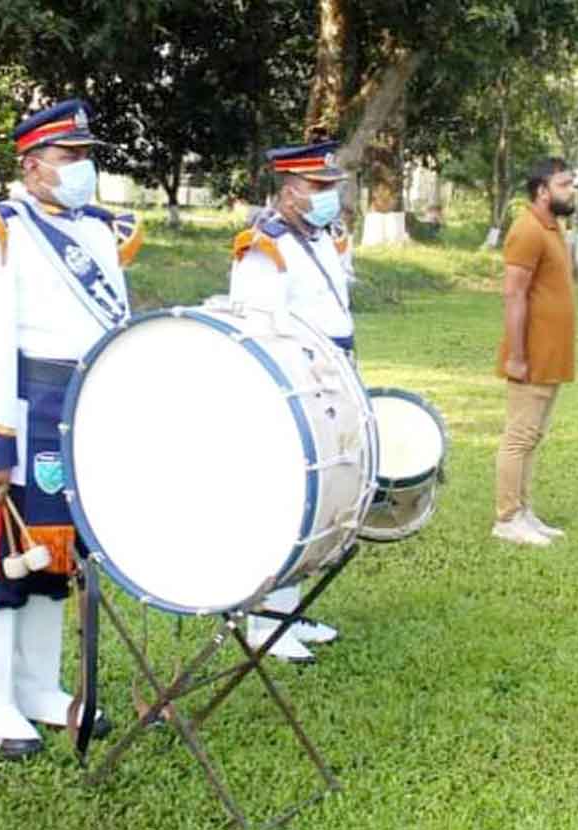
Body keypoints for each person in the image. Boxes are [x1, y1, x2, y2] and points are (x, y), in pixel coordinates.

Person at [0, 99, 139, 758]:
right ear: (31, 165)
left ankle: (38, 686)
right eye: (69, 157)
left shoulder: (97, 230)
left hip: (83, 413)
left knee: (60, 557)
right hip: (24, 410)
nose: (82, 169)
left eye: (87, 156)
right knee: (6, 556)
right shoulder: (0, 230)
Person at [227, 139, 353, 664]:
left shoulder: (323, 238)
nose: (328, 197)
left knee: (317, 502)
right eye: (317, 187)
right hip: (294, 384)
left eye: (331, 187)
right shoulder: (265, 245)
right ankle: (263, 621)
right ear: (288, 190)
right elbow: (261, 328)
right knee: (285, 501)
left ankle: (288, 610)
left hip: (331, 377)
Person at [492, 157, 577, 546]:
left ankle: (523, 510)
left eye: (571, 183)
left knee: (532, 437)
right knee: (519, 436)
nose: (571, 190)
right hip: (530, 355)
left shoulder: (551, 228)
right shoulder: (527, 229)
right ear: (542, 190)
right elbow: (514, 294)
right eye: (563, 184)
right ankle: (507, 518)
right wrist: (517, 354)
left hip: (549, 356)